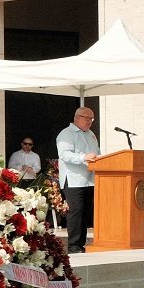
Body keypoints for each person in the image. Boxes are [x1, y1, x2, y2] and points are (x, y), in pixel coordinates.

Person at [56, 105, 99, 250]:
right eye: (87, 118)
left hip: (89, 179)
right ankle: (74, 246)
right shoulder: (66, 134)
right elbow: (64, 155)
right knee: (76, 213)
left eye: (91, 119)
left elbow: (96, 153)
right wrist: (84, 157)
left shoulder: (90, 134)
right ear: (77, 118)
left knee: (85, 213)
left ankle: (81, 244)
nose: (90, 122)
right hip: (74, 180)